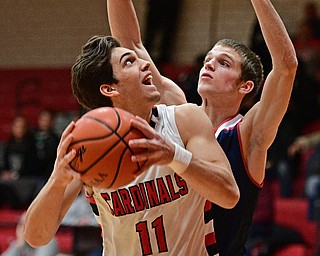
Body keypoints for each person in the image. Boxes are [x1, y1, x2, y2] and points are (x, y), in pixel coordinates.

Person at [106, 0, 298, 255]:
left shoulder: (247, 134)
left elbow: (286, 66)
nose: (209, 64)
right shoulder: (179, 113)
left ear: (246, 86)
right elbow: (131, 45)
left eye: (224, 63)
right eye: (208, 59)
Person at [23, 36, 240, 256]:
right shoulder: (89, 148)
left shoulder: (185, 119)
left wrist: (173, 155)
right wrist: (57, 180)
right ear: (109, 89)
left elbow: (229, 195)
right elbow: (36, 237)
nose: (145, 63)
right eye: (129, 62)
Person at [0, 115, 38, 209]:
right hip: (10, 180)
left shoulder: (31, 146)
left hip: (26, 180)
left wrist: (14, 175)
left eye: (22, 127)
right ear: (13, 128)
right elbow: (5, 166)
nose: (19, 129)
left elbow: (32, 168)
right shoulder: (8, 145)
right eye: (17, 126)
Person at [144, 0, 182, 65]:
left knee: (167, 34)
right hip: (156, 5)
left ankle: (163, 58)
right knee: (151, 34)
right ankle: (146, 54)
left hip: (170, 6)